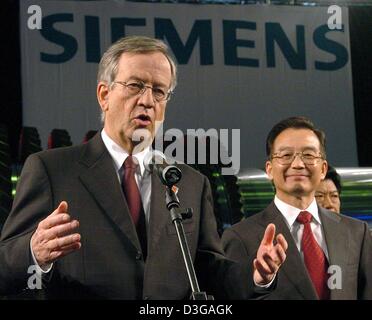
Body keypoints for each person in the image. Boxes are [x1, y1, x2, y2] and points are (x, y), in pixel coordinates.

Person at [0, 36, 242, 299]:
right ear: (104, 95)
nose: (148, 100)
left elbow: (211, 272)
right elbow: (5, 267)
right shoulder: (50, 170)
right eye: (136, 85)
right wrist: (34, 252)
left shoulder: (191, 182)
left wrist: (257, 278)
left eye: (159, 91)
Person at [222, 116, 372, 299]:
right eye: (286, 155)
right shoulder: (240, 237)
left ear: (323, 169)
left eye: (308, 155)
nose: (298, 164)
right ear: (269, 169)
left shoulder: (356, 232)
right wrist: (261, 281)